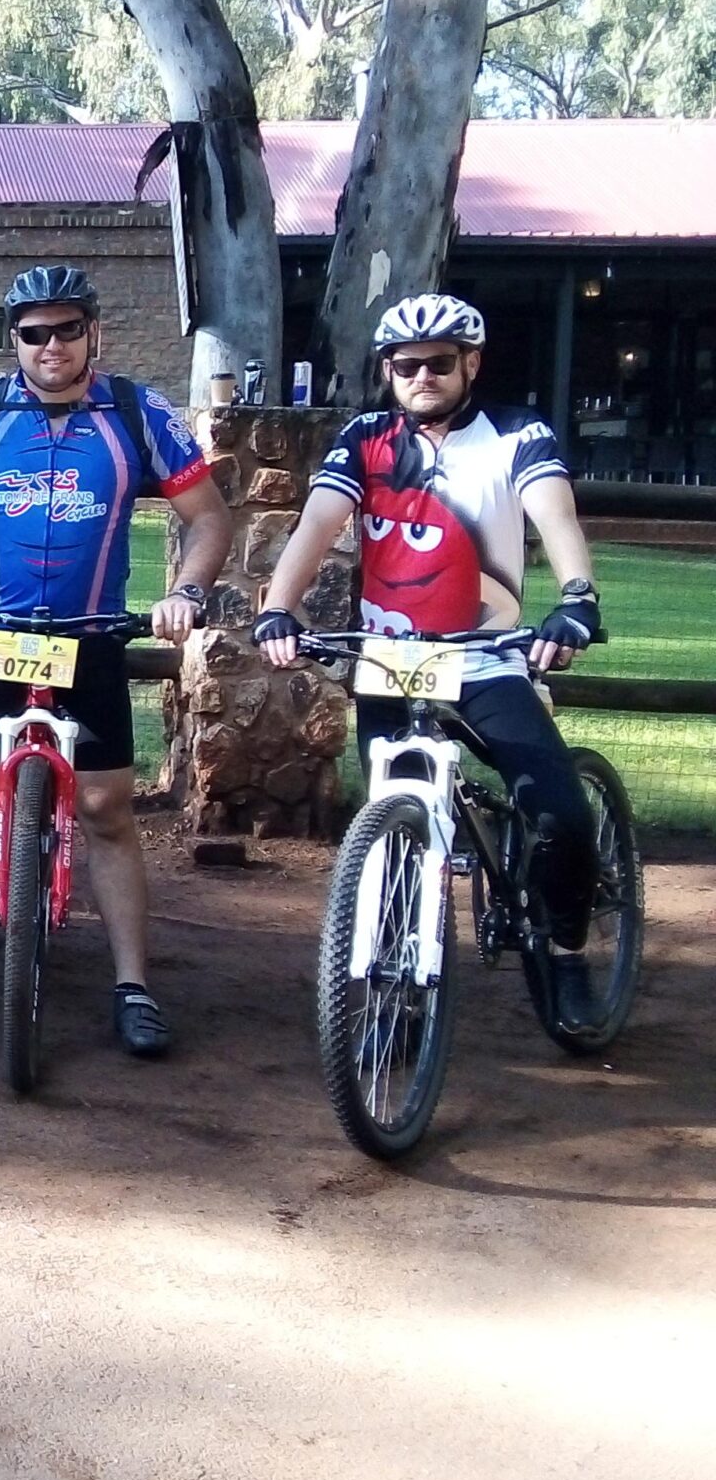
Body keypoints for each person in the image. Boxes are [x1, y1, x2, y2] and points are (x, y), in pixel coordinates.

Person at [0, 264, 231, 1058]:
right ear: (13, 341)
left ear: (94, 332)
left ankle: (133, 986)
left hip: (91, 637)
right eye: (34, 332)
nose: (50, 344)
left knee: (105, 812)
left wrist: (187, 591)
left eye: (66, 329)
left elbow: (207, 519)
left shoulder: (138, 413)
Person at [255, 293, 607, 1018]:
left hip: (486, 660)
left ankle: (568, 954)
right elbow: (317, 525)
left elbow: (556, 516)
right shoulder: (366, 438)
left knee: (560, 817)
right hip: (390, 661)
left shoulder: (518, 435)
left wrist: (577, 598)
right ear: (388, 370)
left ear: (470, 363)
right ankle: (396, 986)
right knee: (393, 818)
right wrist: (276, 609)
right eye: (405, 365)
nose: (421, 376)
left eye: (439, 364)